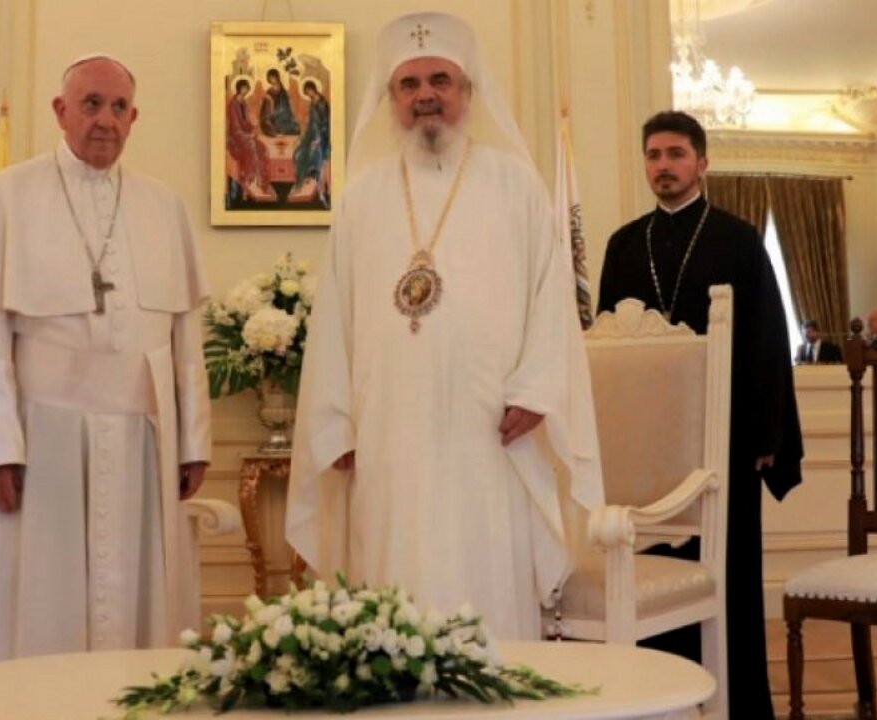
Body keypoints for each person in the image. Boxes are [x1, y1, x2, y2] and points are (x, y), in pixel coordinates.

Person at [286, 12, 602, 640]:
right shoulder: (361, 197)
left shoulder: (516, 183)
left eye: (440, 80)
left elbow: (551, 296)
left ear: (467, 92)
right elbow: (335, 320)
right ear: (391, 98)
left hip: (490, 429)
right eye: (408, 84)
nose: (425, 95)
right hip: (386, 433)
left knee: (485, 572)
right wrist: (335, 419)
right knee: (393, 576)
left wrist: (538, 390)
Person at [0, 55, 212, 687]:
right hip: (40, 433)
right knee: (39, 593)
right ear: (60, 111)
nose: (104, 120)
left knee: (134, 595)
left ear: (134, 118)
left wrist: (193, 442)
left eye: (118, 108)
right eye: (91, 104)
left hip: (142, 438)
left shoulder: (163, 207)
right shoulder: (1, 198)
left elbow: (185, 336)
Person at [598, 110, 803, 717]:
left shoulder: (738, 239)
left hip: (729, 437)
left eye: (676, 155)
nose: (663, 166)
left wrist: (768, 431)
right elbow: (606, 342)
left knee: (725, 580)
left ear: (702, 163)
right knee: (650, 574)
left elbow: (769, 338)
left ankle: (733, 705)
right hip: (646, 446)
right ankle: (656, 702)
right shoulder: (623, 243)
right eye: (654, 155)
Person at [225, 77, 273, 203]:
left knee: (262, 147)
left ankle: (261, 182)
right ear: (239, 88)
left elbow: (245, 122)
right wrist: (248, 135)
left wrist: (252, 127)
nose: (246, 90)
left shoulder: (243, 102)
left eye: (247, 88)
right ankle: (250, 180)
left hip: (244, 134)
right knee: (251, 145)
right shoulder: (232, 104)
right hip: (235, 137)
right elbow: (235, 126)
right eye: (244, 88)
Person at [289, 79, 331, 204]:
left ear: (313, 89)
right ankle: (301, 182)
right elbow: (311, 123)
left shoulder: (322, 103)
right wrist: (302, 137)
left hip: (322, 138)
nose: (309, 94)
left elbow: (325, 124)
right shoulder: (313, 102)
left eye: (309, 91)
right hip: (311, 135)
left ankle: (318, 188)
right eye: (306, 92)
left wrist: (318, 139)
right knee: (298, 153)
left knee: (314, 155)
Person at [259, 68, 300, 137]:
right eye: (270, 78)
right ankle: (276, 129)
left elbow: (286, 107)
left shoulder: (283, 91)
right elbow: (266, 110)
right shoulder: (269, 91)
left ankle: (279, 129)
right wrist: (271, 102)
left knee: (296, 127)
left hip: (283, 117)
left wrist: (286, 114)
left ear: (277, 77)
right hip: (273, 116)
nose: (272, 80)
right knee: (269, 125)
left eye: (273, 78)